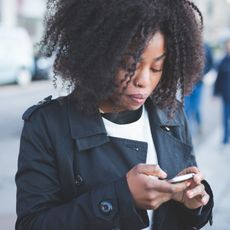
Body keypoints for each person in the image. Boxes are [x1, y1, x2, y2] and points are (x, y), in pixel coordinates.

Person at [15, 0, 214, 229]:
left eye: (157, 68)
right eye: (129, 65)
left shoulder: (172, 114)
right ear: (98, 56)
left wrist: (194, 203)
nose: (143, 81)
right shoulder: (48, 125)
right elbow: (32, 224)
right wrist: (121, 197)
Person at [184, 43, 213, 135]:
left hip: (198, 83)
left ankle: (199, 124)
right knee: (186, 107)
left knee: (195, 107)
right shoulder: (186, 45)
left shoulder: (207, 47)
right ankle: (186, 130)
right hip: (187, 83)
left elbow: (211, 63)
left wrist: (204, 74)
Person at [214, 38, 230, 145]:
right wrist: (215, 93)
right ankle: (225, 138)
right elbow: (218, 78)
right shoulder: (223, 61)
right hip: (226, 96)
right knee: (225, 119)